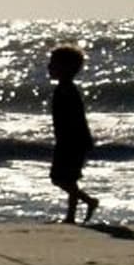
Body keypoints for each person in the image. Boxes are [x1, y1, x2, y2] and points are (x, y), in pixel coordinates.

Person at [48, 44, 99, 224]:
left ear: (66, 68)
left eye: (53, 64)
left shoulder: (66, 89)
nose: (49, 67)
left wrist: (75, 140)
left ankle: (89, 201)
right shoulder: (64, 88)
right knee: (69, 178)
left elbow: (76, 118)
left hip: (71, 141)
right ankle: (70, 216)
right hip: (69, 140)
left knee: (59, 178)